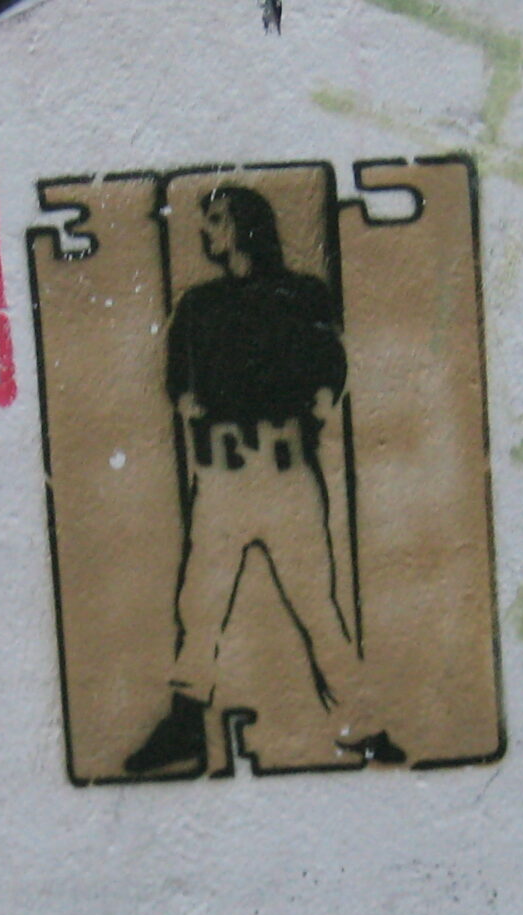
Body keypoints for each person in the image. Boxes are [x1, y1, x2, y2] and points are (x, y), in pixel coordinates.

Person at [124, 185, 403, 776]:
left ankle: (362, 721)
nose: (209, 233)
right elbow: (181, 388)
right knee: (200, 604)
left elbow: (331, 370)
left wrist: (303, 401)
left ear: (245, 226)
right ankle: (187, 723)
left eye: (218, 220)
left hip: (283, 474)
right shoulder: (199, 306)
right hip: (225, 477)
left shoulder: (301, 296)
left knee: (315, 608)